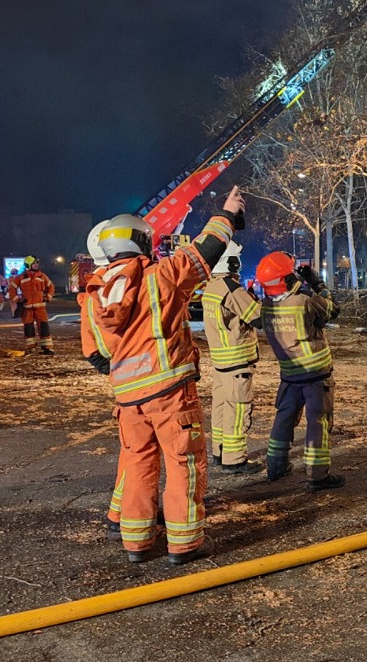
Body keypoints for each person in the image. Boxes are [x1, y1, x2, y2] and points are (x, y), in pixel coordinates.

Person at [81, 186, 244, 564]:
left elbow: (98, 355)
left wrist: (128, 370)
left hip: (127, 400)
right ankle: (183, 544)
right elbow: (207, 248)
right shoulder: (162, 275)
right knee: (182, 462)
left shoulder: (93, 294)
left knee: (139, 465)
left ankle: (136, 544)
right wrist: (229, 212)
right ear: (142, 240)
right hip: (170, 391)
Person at [256, 252, 345, 490]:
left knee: (284, 418)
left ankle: (276, 467)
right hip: (316, 374)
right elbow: (333, 310)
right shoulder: (304, 300)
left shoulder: (265, 306)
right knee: (318, 421)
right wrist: (317, 283)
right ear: (286, 278)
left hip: (289, 374)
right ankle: (317, 476)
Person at [202, 241, 265, 474]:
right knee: (238, 410)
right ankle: (235, 458)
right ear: (231, 261)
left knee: (221, 407)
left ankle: (220, 452)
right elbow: (258, 318)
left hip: (220, 362)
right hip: (237, 361)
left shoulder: (211, 287)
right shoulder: (231, 288)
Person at [8, 256, 56, 355]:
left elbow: (51, 286)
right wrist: (18, 299)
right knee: (28, 328)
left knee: (44, 327)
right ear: (28, 265)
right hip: (27, 308)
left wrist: (48, 296)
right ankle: (31, 347)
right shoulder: (21, 277)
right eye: (34, 263)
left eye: (37, 263)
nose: (36, 265)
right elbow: (12, 289)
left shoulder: (42, 276)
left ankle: (47, 348)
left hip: (40, 308)